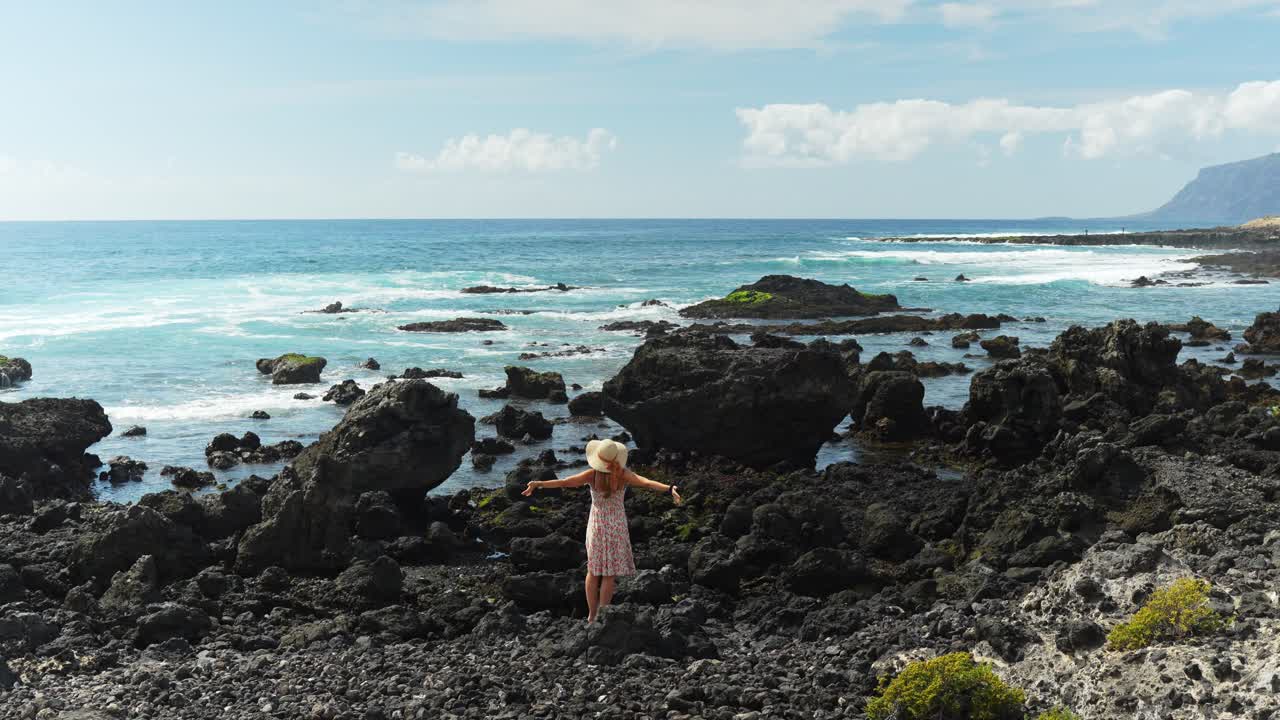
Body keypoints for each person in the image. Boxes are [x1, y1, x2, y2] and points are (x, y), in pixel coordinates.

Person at [522, 438, 682, 624]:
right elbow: (647, 483)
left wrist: (538, 483)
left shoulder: (592, 475)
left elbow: (564, 482)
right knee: (609, 574)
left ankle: (591, 615)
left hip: (597, 526)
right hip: (616, 526)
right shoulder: (623, 474)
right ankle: (603, 614)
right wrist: (669, 489)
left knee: (593, 571)